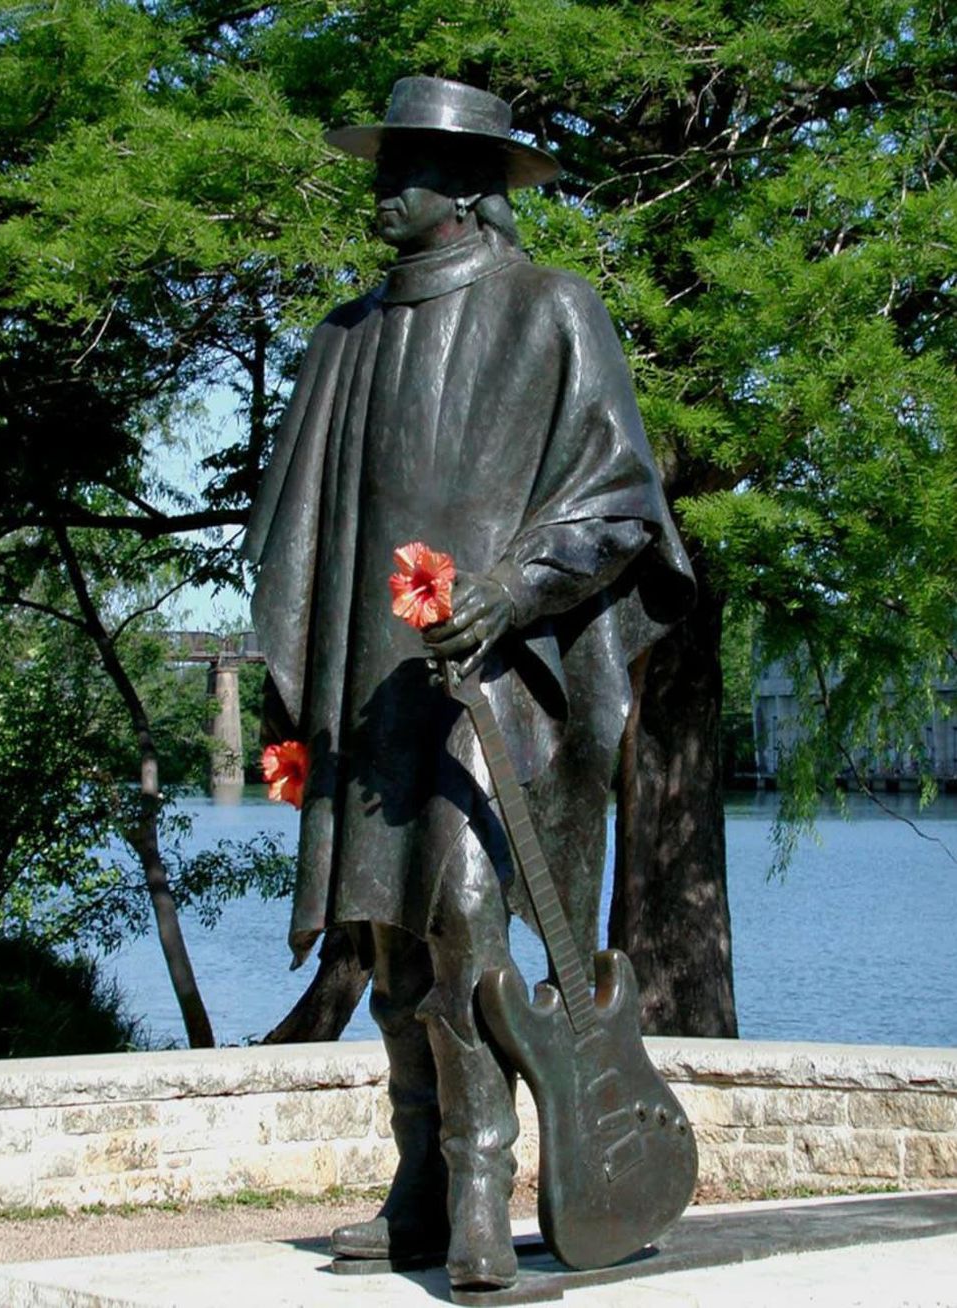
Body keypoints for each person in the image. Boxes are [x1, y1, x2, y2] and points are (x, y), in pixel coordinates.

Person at [243, 76, 694, 1291]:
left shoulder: (551, 310)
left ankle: (486, 1193)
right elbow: (296, 533)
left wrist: (509, 586)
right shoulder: (343, 340)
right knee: (391, 943)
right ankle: (420, 1186)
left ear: (475, 185)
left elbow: (618, 497)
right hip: (372, 680)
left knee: (470, 929)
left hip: (503, 681)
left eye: (411, 166)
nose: (385, 187)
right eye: (383, 163)